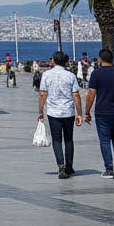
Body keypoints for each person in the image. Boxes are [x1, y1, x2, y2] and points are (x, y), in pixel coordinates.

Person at [84, 48, 114, 179]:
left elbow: (91, 94)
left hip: (102, 111)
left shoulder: (96, 74)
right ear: (112, 60)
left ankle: (109, 169)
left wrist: (87, 112)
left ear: (100, 59)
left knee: (104, 140)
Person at [39, 51, 83, 179]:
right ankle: (69, 166)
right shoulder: (70, 76)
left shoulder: (46, 75)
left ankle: (61, 167)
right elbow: (76, 95)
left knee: (57, 140)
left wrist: (40, 111)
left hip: (53, 112)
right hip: (68, 111)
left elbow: (42, 94)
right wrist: (79, 113)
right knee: (68, 139)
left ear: (53, 60)